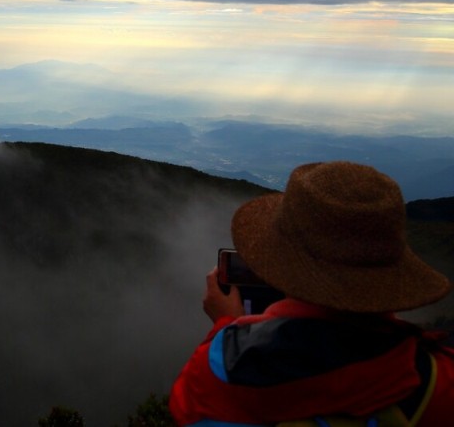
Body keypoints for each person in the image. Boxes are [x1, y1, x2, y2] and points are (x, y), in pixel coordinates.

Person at [169, 161, 454, 426]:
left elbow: (190, 409)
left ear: (282, 262)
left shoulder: (214, 380)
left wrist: (225, 330)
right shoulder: (439, 383)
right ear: (391, 273)